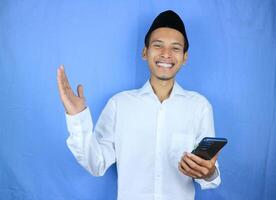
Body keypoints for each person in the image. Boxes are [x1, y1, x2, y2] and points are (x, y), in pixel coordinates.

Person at [57, 10, 221, 200]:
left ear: (185, 57)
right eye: (158, 45)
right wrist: (77, 117)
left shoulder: (199, 106)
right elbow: (96, 164)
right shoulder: (119, 104)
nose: (166, 54)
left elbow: (210, 175)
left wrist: (208, 173)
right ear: (145, 52)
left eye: (175, 48)